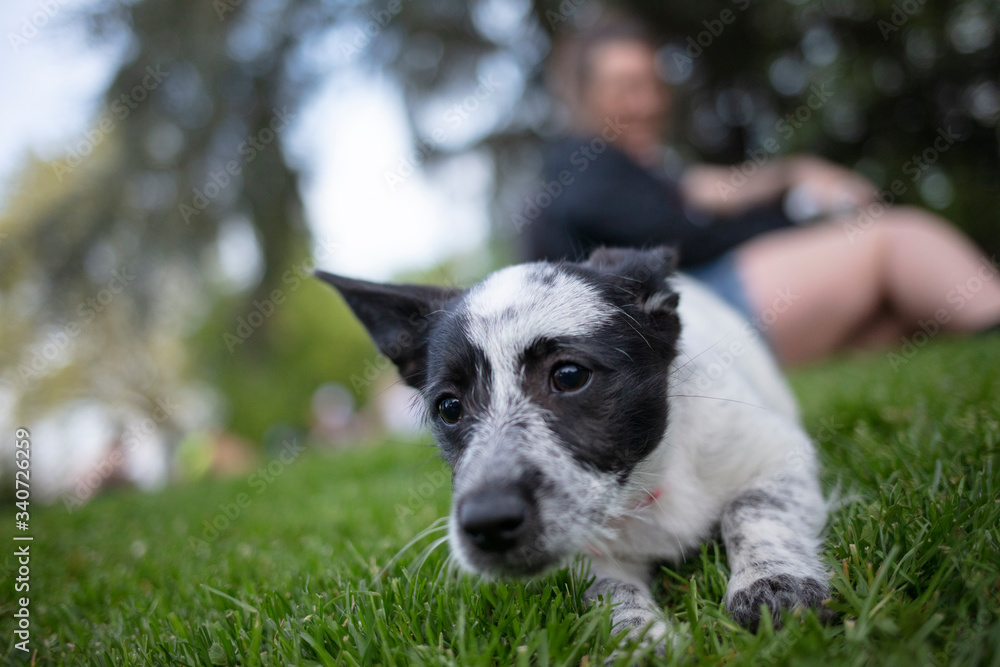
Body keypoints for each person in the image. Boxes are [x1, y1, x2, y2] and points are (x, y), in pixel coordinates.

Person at [524, 19, 1000, 365]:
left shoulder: (639, 171)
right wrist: (802, 220)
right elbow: (679, 241)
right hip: (693, 324)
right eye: (625, 87)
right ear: (586, 97)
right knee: (894, 238)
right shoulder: (582, 164)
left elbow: (716, 192)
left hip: (703, 317)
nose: (647, 103)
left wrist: (794, 177)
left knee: (891, 318)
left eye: (653, 86)